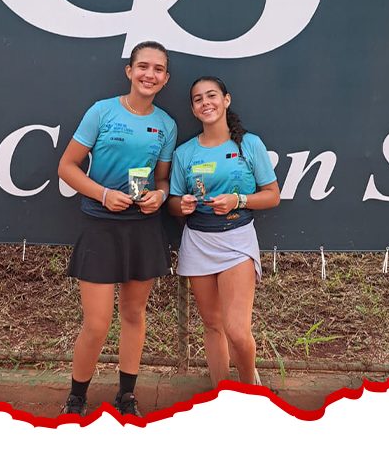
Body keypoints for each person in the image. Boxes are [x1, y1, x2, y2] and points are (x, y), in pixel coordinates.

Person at [57, 41, 176, 416]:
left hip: (142, 228)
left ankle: (126, 396)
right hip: (100, 225)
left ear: (165, 78)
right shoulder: (102, 111)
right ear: (129, 71)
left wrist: (160, 196)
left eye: (158, 69)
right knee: (96, 323)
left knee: (134, 315)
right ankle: (76, 398)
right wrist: (104, 195)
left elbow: (162, 179)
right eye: (143, 66)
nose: (149, 74)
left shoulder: (166, 125)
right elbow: (67, 168)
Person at [168, 76, 280, 386]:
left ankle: (249, 390)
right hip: (198, 241)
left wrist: (238, 200)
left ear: (226, 100)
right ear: (193, 109)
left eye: (212, 96)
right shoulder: (184, 153)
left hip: (237, 239)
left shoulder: (249, 144)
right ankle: (222, 394)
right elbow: (173, 202)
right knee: (213, 325)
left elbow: (272, 195)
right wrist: (182, 205)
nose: (206, 103)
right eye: (198, 99)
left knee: (237, 331)